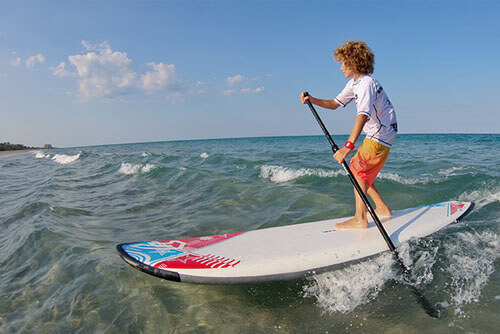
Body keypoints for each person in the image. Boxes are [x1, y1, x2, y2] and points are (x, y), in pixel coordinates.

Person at [300, 40, 398, 229]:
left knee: (358, 169)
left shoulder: (366, 84)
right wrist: (312, 100)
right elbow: (335, 104)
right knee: (359, 170)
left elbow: (363, 114)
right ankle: (382, 208)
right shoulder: (355, 83)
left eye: (342, 63)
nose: (340, 68)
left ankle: (361, 219)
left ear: (353, 62)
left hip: (380, 133)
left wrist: (348, 146)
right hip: (380, 133)